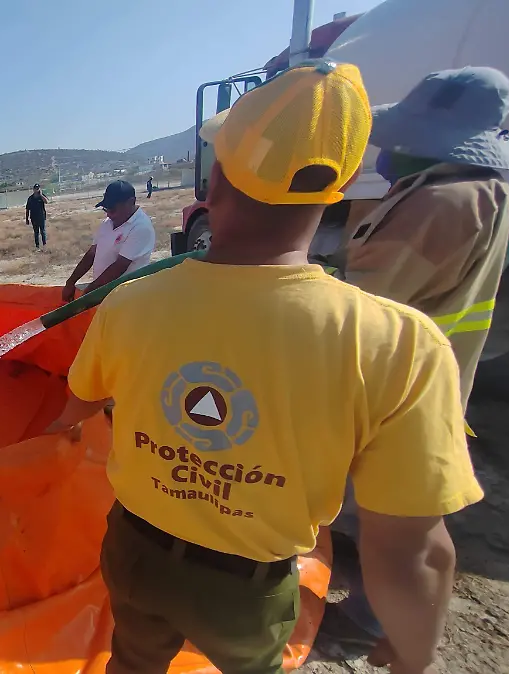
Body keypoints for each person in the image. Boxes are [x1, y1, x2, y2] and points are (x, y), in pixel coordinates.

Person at [46, 61, 482, 674]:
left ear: (216, 182)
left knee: (133, 659)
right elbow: (412, 550)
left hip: (134, 554)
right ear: (346, 182)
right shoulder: (399, 344)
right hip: (248, 586)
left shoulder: (131, 304)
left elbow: (74, 411)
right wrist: (415, 654)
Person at [324, 66, 509, 647]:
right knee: (401, 515)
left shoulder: (444, 201)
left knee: (400, 527)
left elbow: (368, 297)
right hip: (424, 379)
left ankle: (374, 623)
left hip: (401, 385)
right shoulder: (475, 191)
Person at [61, 180, 155, 302]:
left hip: (128, 298)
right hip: (106, 295)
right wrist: (71, 282)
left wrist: (88, 294)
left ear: (131, 202)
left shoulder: (141, 227)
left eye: (113, 210)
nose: (109, 215)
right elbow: (91, 254)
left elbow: (119, 267)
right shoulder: (107, 223)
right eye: (106, 210)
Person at [26, 183, 49, 250]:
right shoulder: (30, 198)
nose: (37, 190)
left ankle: (44, 245)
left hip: (41, 217)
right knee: (36, 232)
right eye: (35, 189)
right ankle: (37, 246)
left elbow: (46, 202)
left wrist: (41, 195)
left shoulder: (41, 196)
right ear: (33, 189)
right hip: (34, 218)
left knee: (43, 231)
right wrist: (27, 219)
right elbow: (27, 209)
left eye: (38, 188)